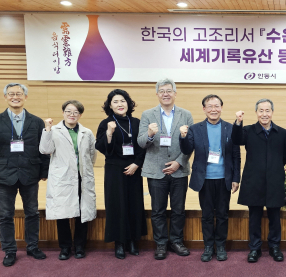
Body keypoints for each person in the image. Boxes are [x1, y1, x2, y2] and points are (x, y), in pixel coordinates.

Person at [0, 83, 50, 267]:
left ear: (25, 97)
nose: (15, 97)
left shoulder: (36, 121)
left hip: (30, 173)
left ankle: (33, 246)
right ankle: (9, 250)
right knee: (6, 215)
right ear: (5, 97)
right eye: (11, 94)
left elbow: (43, 149)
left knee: (32, 213)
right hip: (4, 174)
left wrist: (44, 171)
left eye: (19, 93)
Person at [179, 94, 241, 262]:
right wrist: (183, 137)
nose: (214, 109)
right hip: (204, 179)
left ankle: (220, 246)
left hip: (224, 178)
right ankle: (208, 246)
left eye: (217, 106)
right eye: (210, 106)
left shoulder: (229, 128)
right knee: (206, 215)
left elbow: (236, 155)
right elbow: (186, 150)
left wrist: (236, 178)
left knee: (222, 214)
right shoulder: (195, 129)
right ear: (204, 109)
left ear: (221, 108)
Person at [138, 78, 194, 260]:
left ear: (175, 93)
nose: (166, 94)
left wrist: (179, 162)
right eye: (162, 91)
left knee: (178, 209)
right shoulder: (147, 115)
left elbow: (191, 144)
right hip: (156, 170)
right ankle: (161, 243)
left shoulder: (186, 115)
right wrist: (149, 134)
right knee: (158, 210)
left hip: (179, 169)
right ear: (157, 94)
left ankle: (176, 241)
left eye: (169, 90)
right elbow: (140, 142)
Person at [232, 99, 286, 263]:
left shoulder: (282, 132)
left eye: (267, 110)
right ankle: (255, 248)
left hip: (274, 180)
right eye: (261, 111)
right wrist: (238, 122)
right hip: (254, 180)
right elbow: (236, 140)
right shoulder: (248, 130)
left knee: (275, 216)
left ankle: (275, 247)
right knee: (254, 217)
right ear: (256, 113)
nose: (264, 114)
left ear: (272, 112)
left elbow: (284, 156)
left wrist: (273, 168)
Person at [39, 100, 96, 260]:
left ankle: (79, 246)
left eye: (76, 112)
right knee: (62, 213)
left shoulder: (87, 132)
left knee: (82, 212)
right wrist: (47, 130)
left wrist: (85, 169)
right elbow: (45, 149)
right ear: (63, 113)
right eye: (69, 111)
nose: (72, 115)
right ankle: (64, 247)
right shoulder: (54, 131)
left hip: (82, 176)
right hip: (62, 178)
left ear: (80, 115)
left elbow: (92, 155)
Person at [95, 89, 147, 259]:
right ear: (110, 105)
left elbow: (143, 146)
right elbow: (102, 148)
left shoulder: (137, 122)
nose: (120, 104)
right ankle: (119, 242)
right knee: (116, 205)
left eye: (123, 101)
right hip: (114, 170)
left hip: (134, 169)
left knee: (134, 203)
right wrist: (109, 133)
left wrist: (137, 164)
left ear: (128, 103)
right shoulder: (106, 123)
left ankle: (133, 240)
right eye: (115, 101)